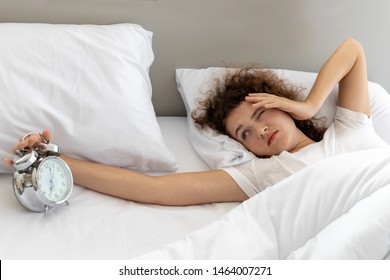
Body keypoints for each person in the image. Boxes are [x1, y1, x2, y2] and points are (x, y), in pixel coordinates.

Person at [4, 38, 388, 205]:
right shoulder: (262, 176)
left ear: (280, 104)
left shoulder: (351, 128)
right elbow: (151, 190)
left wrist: (307, 105)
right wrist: (51, 162)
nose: (260, 132)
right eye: (245, 134)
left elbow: (352, 50)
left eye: (260, 114)